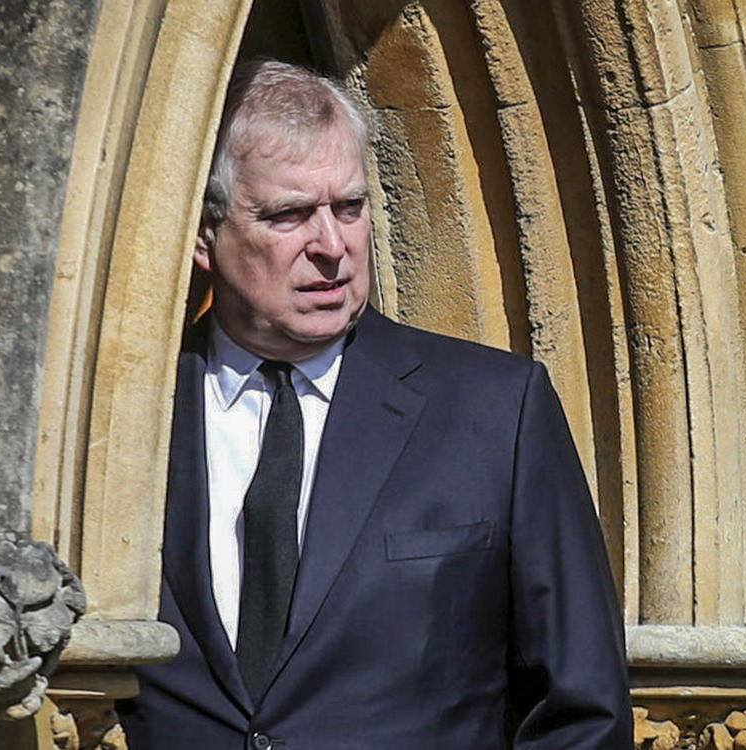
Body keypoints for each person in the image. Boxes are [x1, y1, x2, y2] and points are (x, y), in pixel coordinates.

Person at [117, 59, 632, 749]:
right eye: (289, 215)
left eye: (349, 208)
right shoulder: (129, 415)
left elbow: (585, 713)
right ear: (203, 235)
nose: (332, 247)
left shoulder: (494, 412)